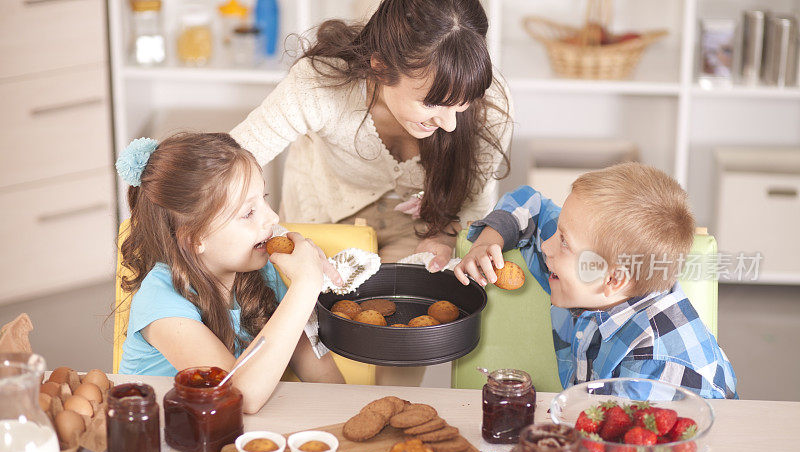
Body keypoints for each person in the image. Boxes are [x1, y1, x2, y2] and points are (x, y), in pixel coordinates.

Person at [231, 0, 512, 385]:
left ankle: (389, 420)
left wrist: (444, 235)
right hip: (321, 216)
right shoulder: (320, 83)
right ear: (380, 66)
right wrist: (264, 226)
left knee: (404, 337)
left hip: (418, 228)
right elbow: (234, 160)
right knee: (307, 341)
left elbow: (475, 206)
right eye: (432, 103)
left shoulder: (491, 105)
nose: (450, 124)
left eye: (461, 106)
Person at [455, 162, 738, 400]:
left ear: (613, 279)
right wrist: (488, 241)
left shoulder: (654, 369)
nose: (546, 246)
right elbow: (531, 202)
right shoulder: (597, 276)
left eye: (564, 242)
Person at [116, 133, 345, 414]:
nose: (273, 218)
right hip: (160, 441)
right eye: (249, 213)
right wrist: (306, 285)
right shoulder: (161, 302)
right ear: (196, 238)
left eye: (264, 199)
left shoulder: (261, 273)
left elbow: (323, 377)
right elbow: (238, 395)